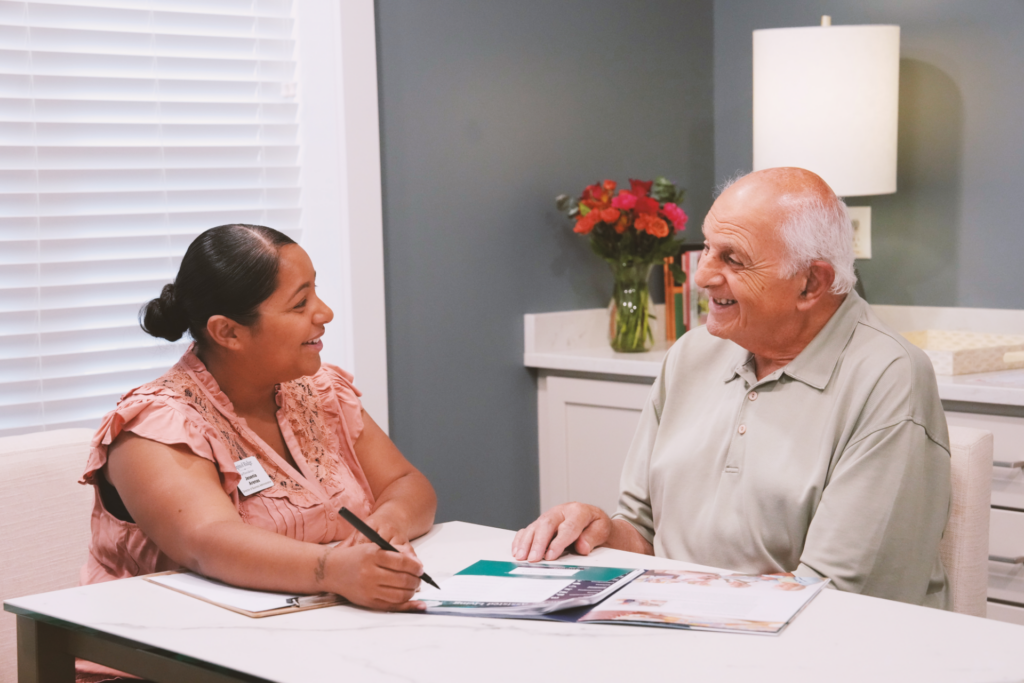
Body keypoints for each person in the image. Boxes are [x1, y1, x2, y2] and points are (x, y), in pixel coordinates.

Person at [513, 168, 952, 609]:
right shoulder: (691, 354)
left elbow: (836, 598)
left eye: (733, 258)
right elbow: (644, 533)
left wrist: (669, 604)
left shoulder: (889, 376)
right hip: (682, 626)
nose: (702, 275)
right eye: (707, 247)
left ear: (811, 283)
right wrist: (601, 531)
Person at [78, 224, 437, 680]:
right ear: (228, 331)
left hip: (307, 648)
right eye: (300, 303)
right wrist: (333, 569)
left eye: (316, 294)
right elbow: (211, 543)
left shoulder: (320, 391)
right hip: (165, 663)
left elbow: (407, 485)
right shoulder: (154, 425)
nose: (324, 313)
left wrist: (382, 526)